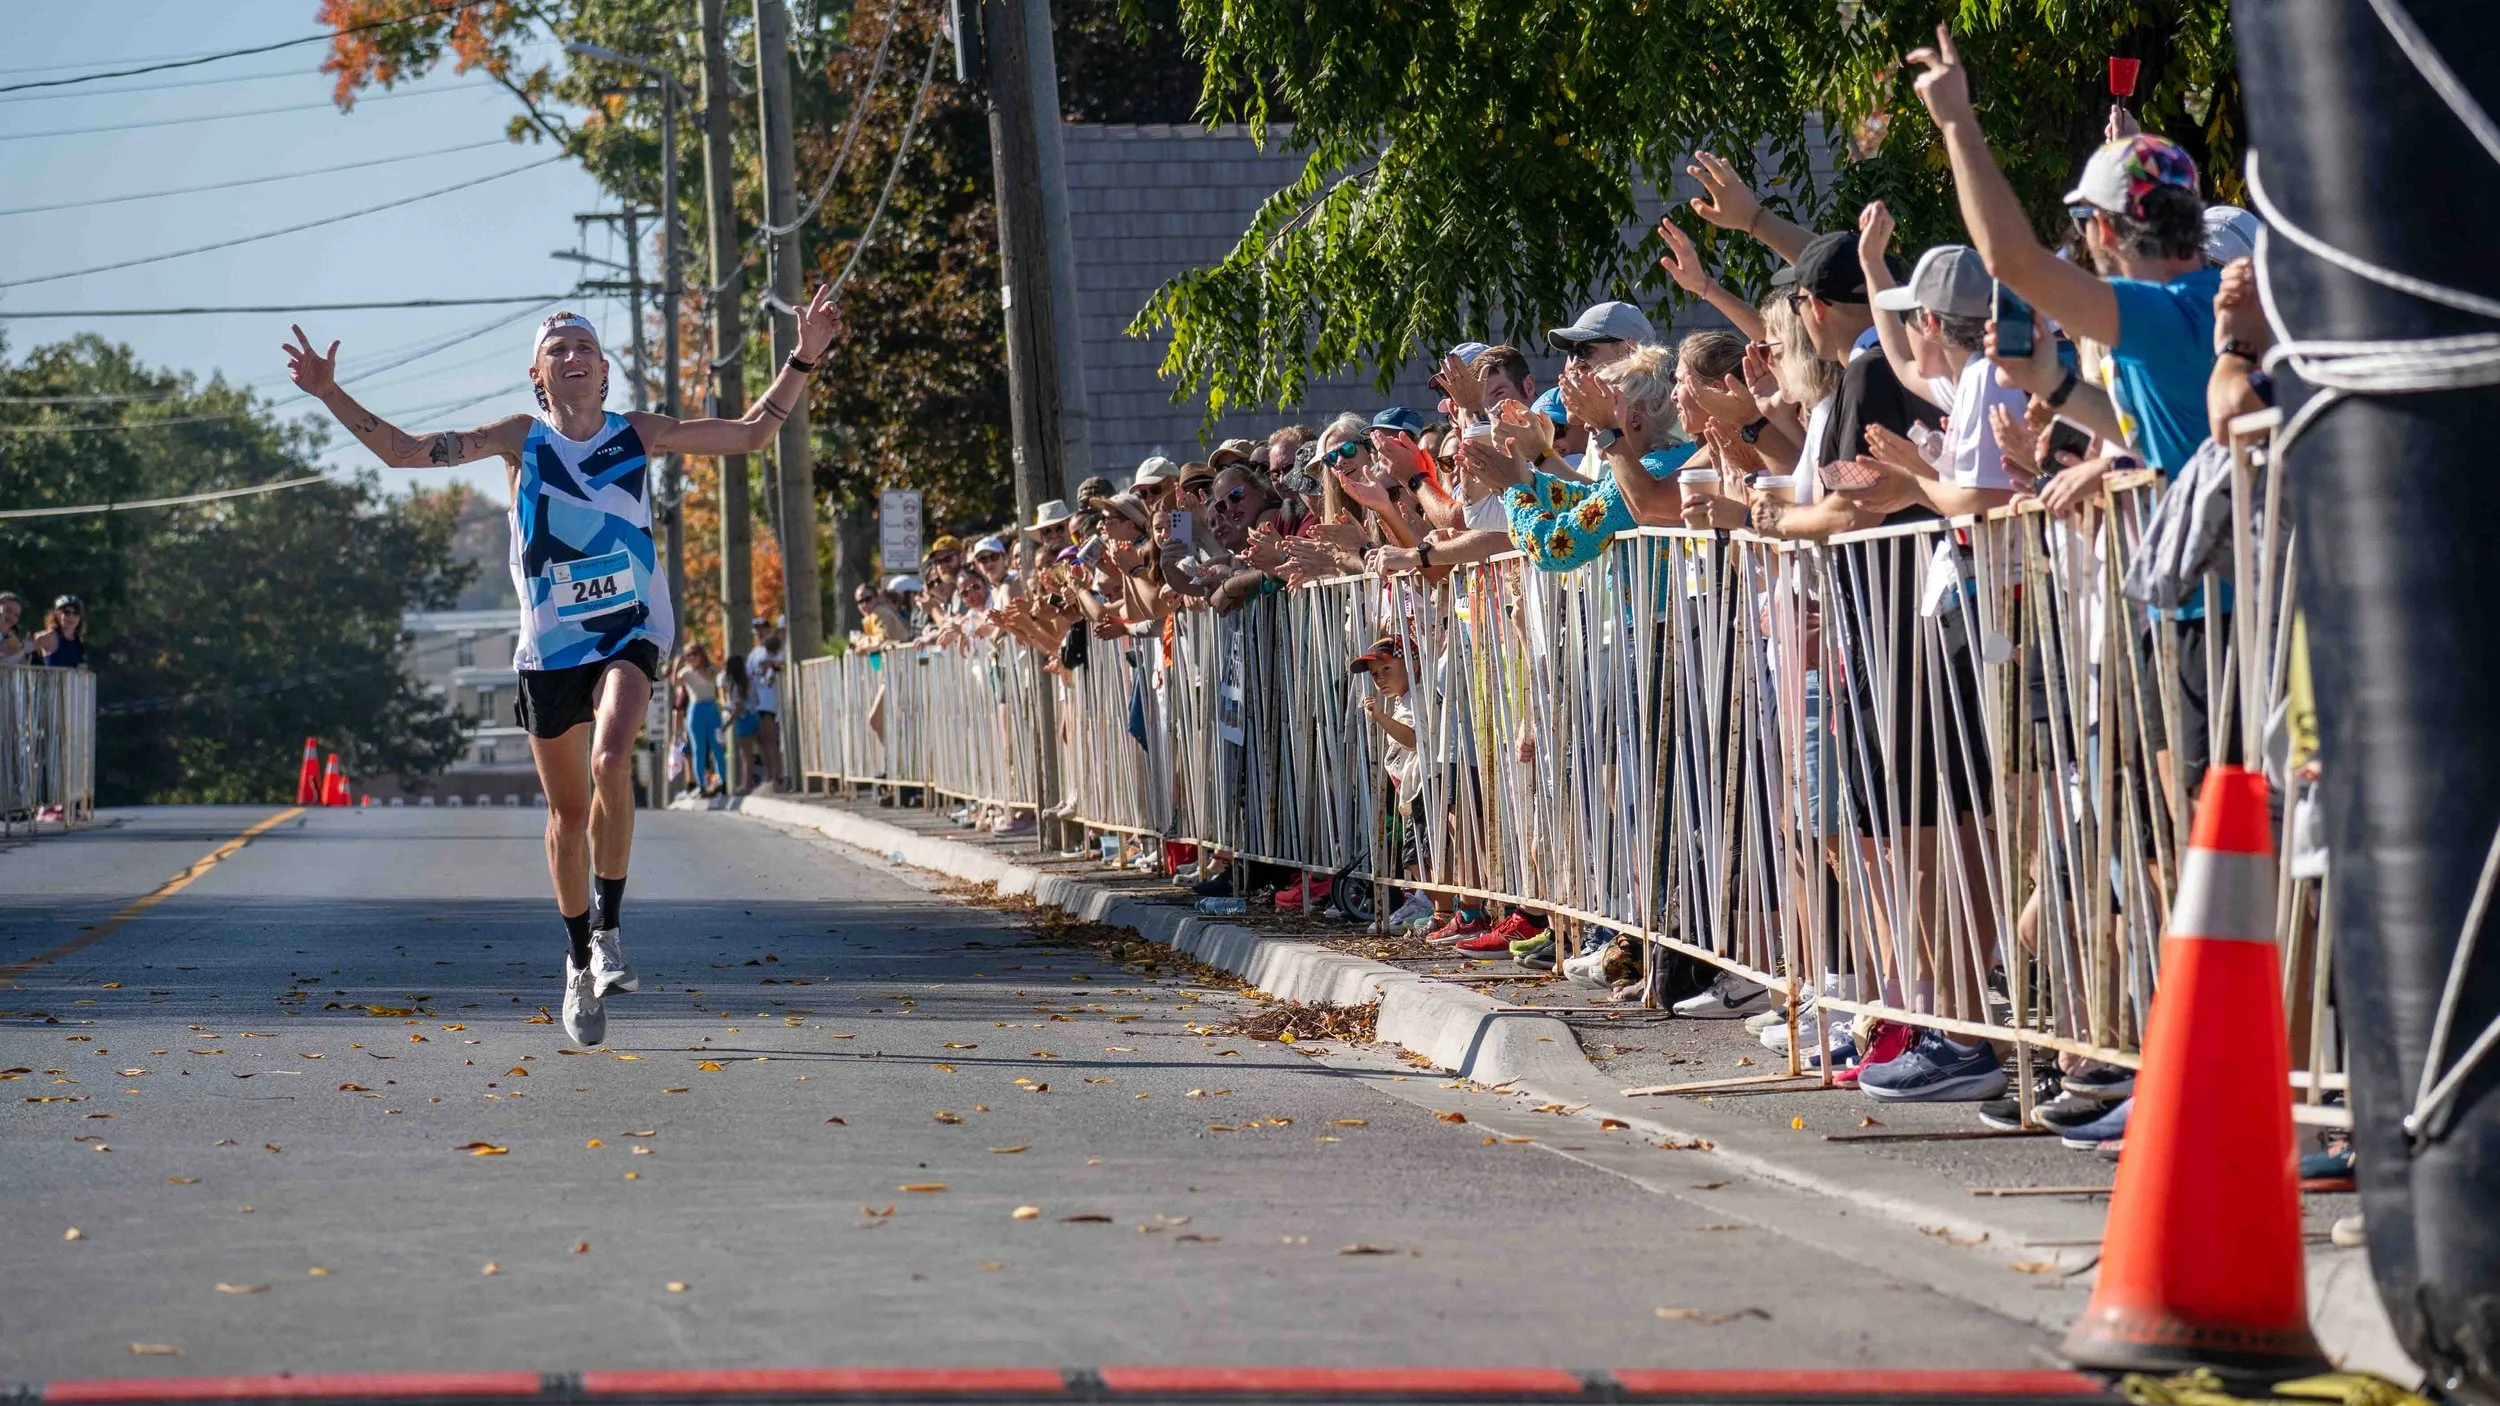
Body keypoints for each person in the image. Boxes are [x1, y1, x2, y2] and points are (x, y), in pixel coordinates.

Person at [282, 287, 845, 1047]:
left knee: (614, 757)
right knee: (569, 815)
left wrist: (804, 354)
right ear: (537, 375)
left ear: (605, 370)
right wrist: (329, 392)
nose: (573, 357)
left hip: (630, 632)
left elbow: (748, 436)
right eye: (558, 350)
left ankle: (610, 929)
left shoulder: (637, 433)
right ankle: (578, 960)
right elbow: (405, 451)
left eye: (584, 347)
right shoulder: (522, 439)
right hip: (550, 649)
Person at [675, 642, 726, 798]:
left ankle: (723, 782)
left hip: (711, 708)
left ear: (701, 654)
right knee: (698, 749)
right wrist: (678, 664)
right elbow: (675, 683)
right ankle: (701, 785)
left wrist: (697, 667)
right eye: (689, 655)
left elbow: (708, 677)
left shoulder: (711, 670)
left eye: (694, 654)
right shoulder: (685, 673)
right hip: (695, 710)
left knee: (717, 747)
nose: (691, 658)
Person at [748, 628, 785, 790]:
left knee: (769, 738)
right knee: (761, 740)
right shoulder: (754, 654)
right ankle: (768, 774)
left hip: (769, 701)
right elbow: (749, 674)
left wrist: (771, 664)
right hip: (756, 701)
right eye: (757, 631)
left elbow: (780, 666)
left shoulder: (778, 651)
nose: (760, 634)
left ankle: (777, 775)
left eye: (762, 629)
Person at [33, 595, 88, 668]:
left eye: (76, 613)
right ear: (57, 615)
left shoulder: (78, 642)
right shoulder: (51, 636)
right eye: (66, 612)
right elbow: (32, 641)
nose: (71, 616)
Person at [0, 592, 32, 668]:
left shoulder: (14, 641)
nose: (11, 617)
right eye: (8, 610)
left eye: (16, 615)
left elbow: (26, 672)